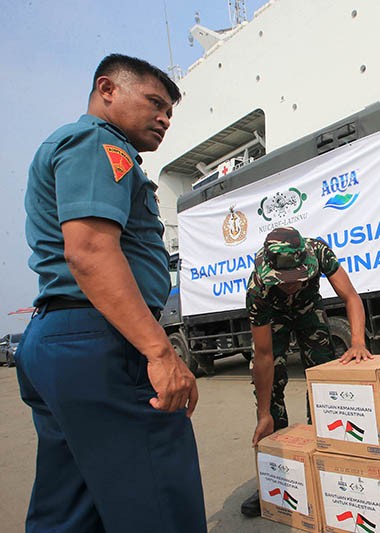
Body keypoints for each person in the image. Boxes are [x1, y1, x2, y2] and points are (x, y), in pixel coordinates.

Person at [17, 54, 206, 532]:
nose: (164, 118)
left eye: (170, 112)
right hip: (100, 338)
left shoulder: (80, 145)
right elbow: (91, 252)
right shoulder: (99, 142)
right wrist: (160, 353)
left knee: (72, 503)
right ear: (107, 90)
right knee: (160, 499)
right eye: (155, 103)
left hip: (60, 336)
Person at [240, 226, 372, 516]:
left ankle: (324, 462)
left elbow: (350, 296)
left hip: (308, 310)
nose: (290, 285)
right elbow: (263, 356)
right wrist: (263, 413)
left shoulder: (320, 252)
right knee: (271, 386)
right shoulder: (258, 289)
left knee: (322, 376)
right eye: (284, 281)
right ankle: (275, 474)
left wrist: (358, 342)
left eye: (296, 278)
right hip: (274, 316)